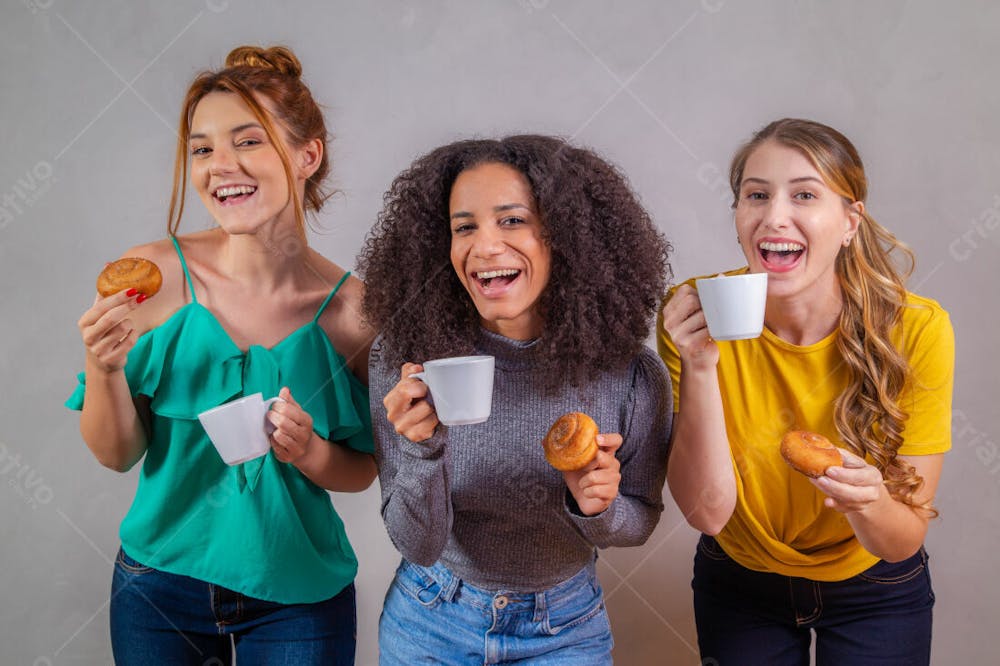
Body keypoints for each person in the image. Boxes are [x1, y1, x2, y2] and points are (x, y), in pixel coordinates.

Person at [68, 45, 376, 665]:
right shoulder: (151, 277)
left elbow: (365, 468)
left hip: (299, 596)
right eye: (202, 148)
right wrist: (103, 371)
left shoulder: (353, 314)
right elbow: (116, 454)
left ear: (306, 155)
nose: (219, 166)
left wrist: (311, 451)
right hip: (157, 585)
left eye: (248, 141)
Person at [357, 135, 673, 664]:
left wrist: (594, 505)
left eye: (512, 220)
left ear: (565, 235)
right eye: (464, 227)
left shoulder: (633, 375)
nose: (484, 246)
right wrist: (422, 449)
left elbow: (638, 521)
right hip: (431, 619)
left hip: (565, 628)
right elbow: (418, 544)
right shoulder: (407, 364)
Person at [659, 118, 954, 665]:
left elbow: (901, 539)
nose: (774, 216)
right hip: (739, 580)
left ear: (850, 220)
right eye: (756, 195)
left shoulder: (916, 330)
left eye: (804, 194)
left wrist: (870, 501)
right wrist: (700, 367)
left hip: (876, 587)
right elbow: (708, 514)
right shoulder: (695, 316)